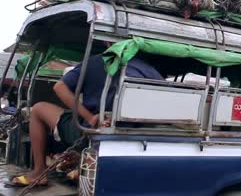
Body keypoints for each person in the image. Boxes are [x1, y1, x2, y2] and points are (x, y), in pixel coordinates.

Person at [6, 54, 162, 187]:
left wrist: (89, 117)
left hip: (89, 132)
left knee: (38, 108)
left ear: (107, 41)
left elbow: (59, 87)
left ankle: (39, 172)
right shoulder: (150, 70)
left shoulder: (96, 61)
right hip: (132, 136)